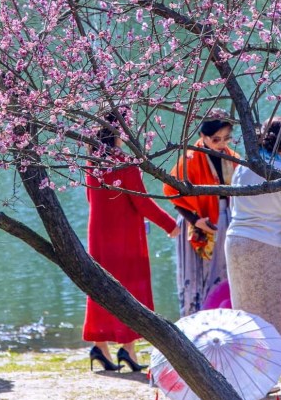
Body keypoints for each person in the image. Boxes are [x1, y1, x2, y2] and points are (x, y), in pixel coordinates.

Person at [83, 121, 177, 372]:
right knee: (130, 290)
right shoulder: (123, 161)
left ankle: (100, 345)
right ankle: (128, 349)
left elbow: (90, 197)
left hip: (99, 235)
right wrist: (171, 225)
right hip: (124, 237)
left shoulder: (91, 160)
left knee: (100, 287)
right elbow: (142, 202)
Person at [225, 116, 281, 338]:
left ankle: (249, 361)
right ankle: (271, 363)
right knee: (268, 310)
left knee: (244, 311)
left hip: (235, 241)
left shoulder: (245, 165)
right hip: (264, 245)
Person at [163, 111, 237, 316]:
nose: (222, 143)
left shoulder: (232, 157)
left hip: (226, 218)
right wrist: (196, 220)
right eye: (216, 139)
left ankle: (221, 317)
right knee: (195, 277)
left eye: (227, 138)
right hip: (197, 221)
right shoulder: (191, 158)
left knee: (224, 274)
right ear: (204, 137)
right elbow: (170, 191)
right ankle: (194, 321)